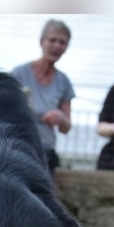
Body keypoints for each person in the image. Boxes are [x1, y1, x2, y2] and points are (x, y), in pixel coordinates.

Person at [11, 19, 75, 175]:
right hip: (18, 147)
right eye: (52, 40)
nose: (57, 46)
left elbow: (66, 128)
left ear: (66, 48)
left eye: (62, 42)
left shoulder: (64, 82)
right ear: (42, 42)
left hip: (45, 151)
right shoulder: (18, 75)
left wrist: (60, 118)